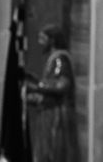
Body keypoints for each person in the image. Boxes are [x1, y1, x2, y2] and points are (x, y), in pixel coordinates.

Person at [25, 24, 80, 162]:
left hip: (57, 116)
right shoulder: (53, 59)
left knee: (54, 154)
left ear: (52, 40)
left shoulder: (60, 59)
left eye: (42, 38)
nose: (39, 42)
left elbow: (62, 85)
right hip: (48, 115)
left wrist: (36, 86)